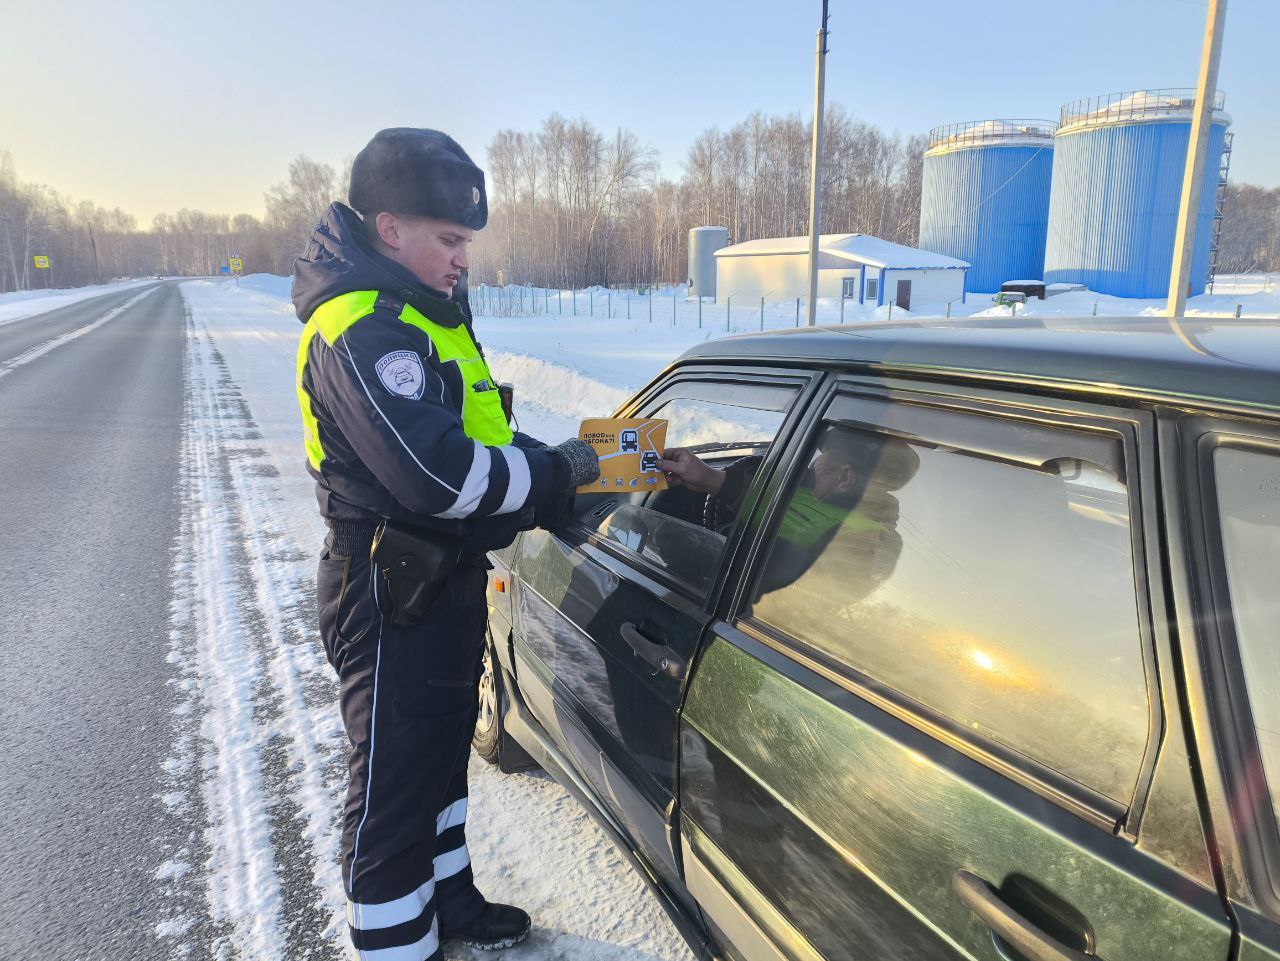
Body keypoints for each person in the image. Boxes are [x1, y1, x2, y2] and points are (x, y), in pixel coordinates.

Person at [292, 128, 600, 960]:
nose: (465, 257)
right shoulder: (361, 327)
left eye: (467, 241)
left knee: (436, 760)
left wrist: (549, 468)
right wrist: (558, 477)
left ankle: (449, 900)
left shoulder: (422, 312)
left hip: (440, 573)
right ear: (390, 228)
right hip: (387, 582)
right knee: (392, 787)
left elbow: (479, 436)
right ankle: (399, 943)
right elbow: (442, 477)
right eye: (450, 239)